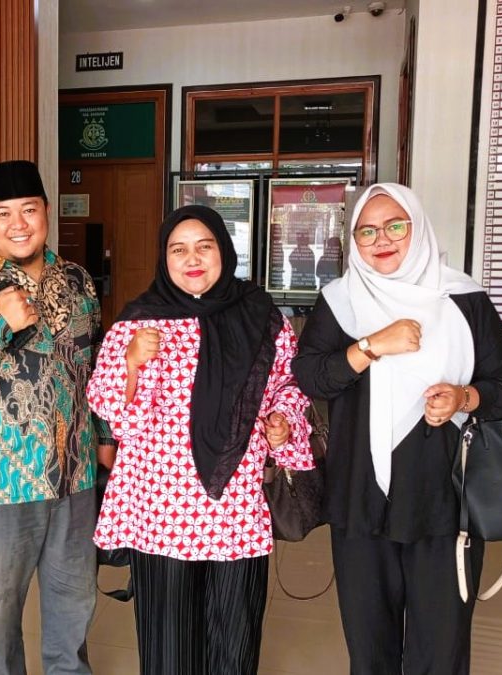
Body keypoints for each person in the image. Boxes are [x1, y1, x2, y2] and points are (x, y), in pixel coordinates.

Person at [292, 183, 502, 675]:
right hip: (361, 502)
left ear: (417, 229)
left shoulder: (464, 299)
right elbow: (311, 377)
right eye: (367, 230)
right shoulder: (339, 301)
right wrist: (371, 345)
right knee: (369, 651)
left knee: (440, 652)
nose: (381, 239)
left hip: (446, 503)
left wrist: (464, 397)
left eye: (395, 226)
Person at [87, 204, 315, 674]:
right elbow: (112, 414)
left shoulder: (262, 317)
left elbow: (290, 385)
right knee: (169, 647)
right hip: (160, 510)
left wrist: (284, 420)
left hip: (235, 506)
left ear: (223, 251)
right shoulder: (137, 323)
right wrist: (132, 363)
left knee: (234, 639)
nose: (192, 259)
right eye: (178, 250)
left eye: (203, 247)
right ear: (164, 258)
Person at [0, 160, 114, 675]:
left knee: (74, 605)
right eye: (3, 213)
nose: (18, 224)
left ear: (46, 212)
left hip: (75, 476)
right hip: (1, 481)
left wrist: (104, 437)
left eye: (29, 210)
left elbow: (94, 365)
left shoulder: (77, 281)